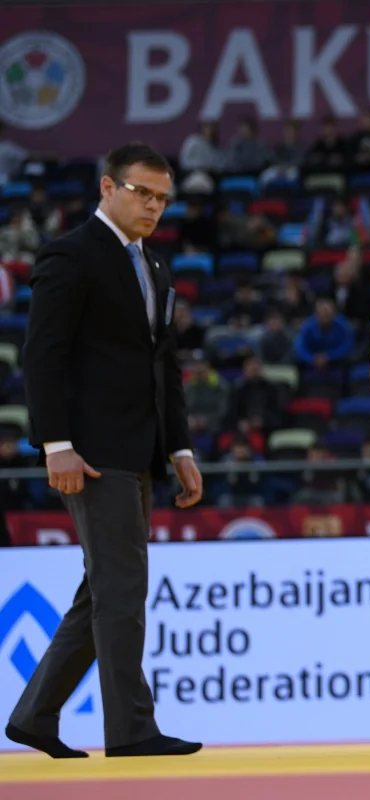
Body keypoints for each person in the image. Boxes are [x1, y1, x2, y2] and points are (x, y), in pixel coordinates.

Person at [7, 143, 204, 759]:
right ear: (108, 188)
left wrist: (179, 447)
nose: (154, 206)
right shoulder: (71, 254)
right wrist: (56, 444)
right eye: (142, 193)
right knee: (121, 589)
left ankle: (35, 716)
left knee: (103, 590)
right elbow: (43, 354)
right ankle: (132, 731)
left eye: (163, 198)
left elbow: (164, 364)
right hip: (90, 450)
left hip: (139, 446)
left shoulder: (155, 265)